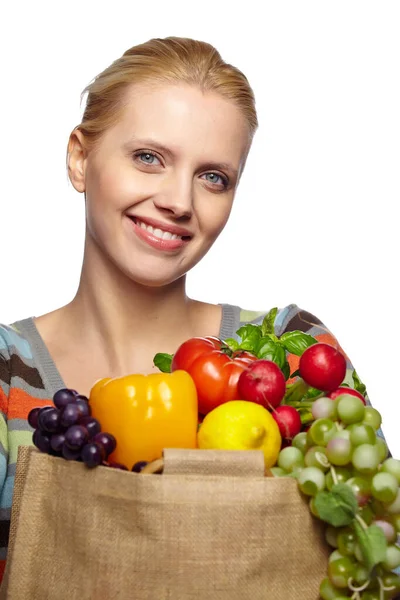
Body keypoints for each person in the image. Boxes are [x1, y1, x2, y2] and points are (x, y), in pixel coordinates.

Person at [0, 36, 389, 583]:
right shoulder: (7, 374)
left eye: (213, 177)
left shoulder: (288, 352)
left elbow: (371, 557)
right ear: (80, 158)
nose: (179, 201)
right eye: (148, 158)